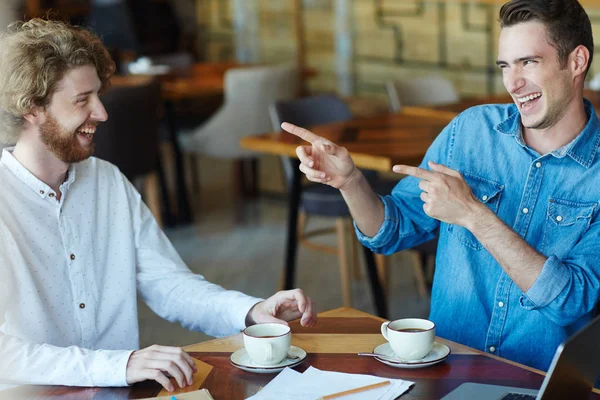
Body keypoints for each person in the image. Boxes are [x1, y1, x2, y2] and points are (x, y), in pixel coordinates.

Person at [0, 18, 316, 392]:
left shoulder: (108, 182)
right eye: (82, 100)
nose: (101, 113)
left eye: (98, 95)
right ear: (32, 108)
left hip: (122, 391)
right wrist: (122, 363)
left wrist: (248, 312)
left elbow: (169, 285)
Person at [283, 0, 599, 372]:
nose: (512, 83)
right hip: (449, 371)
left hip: (539, 382)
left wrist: (473, 214)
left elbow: (571, 299)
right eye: (505, 66)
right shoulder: (469, 131)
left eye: (528, 62)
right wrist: (351, 183)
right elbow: (391, 230)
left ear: (577, 62)